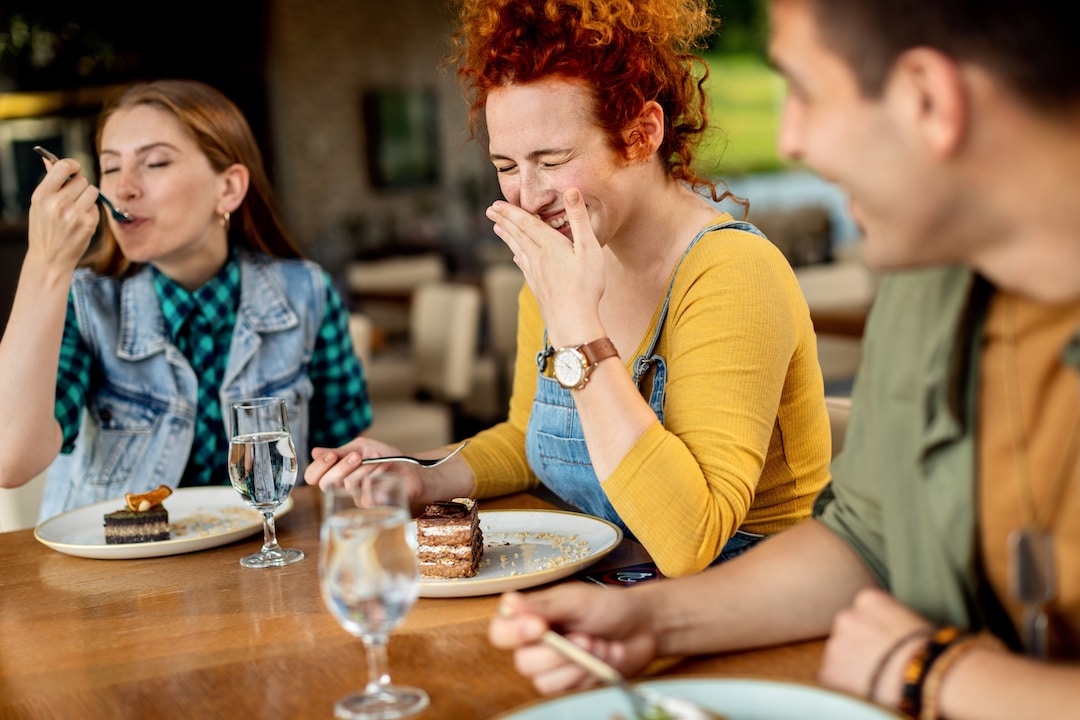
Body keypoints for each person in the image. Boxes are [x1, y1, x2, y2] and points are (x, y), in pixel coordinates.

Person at [488, 0, 1080, 717]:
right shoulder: (928, 282)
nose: (791, 140)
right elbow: (866, 539)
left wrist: (940, 674)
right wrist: (655, 621)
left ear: (928, 99)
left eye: (804, 92)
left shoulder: (735, 266)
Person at [304, 0, 832, 578]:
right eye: (506, 165)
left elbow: (689, 540)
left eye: (552, 161)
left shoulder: (731, 271)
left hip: (744, 609)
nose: (527, 198)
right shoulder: (563, 261)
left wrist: (579, 327)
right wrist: (424, 475)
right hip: (607, 598)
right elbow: (529, 438)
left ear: (641, 133)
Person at [0, 79, 373, 521]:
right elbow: (9, 459)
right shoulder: (85, 303)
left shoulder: (306, 292)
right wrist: (46, 263)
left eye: (155, 163)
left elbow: (341, 464)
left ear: (229, 189)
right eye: (111, 167)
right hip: (116, 580)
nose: (124, 189)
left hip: (265, 565)